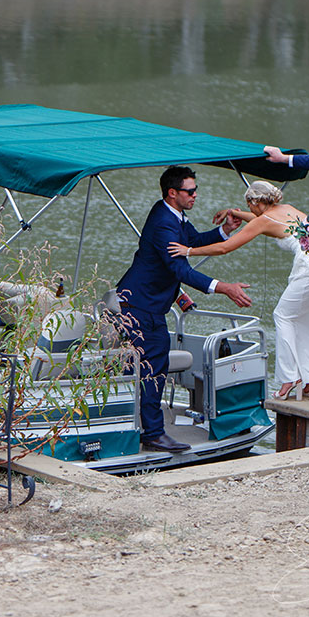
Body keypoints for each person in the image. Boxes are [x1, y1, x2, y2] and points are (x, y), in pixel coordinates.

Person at [169, 180, 309, 401]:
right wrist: (234, 212)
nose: (250, 210)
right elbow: (262, 219)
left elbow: (225, 247)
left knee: (283, 316)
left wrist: (188, 251)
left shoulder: (264, 220)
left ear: (255, 201)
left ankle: (290, 378)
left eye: (250, 205)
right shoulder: (288, 210)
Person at [116, 166, 253, 453]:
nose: (195, 195)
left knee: (151, 365)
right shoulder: (164, 223)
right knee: (153, 367)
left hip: (144, 303)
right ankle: (152, 433)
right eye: (190, 191)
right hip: (140, 305)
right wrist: (223, 287)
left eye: (195, 189)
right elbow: (179, 267)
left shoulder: (172, 214)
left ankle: (139, 427)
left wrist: (224, 231)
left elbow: (192, 241)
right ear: (173, 193)